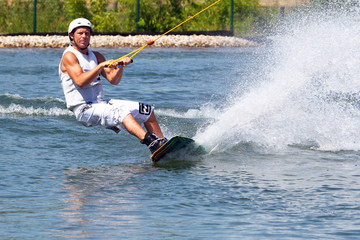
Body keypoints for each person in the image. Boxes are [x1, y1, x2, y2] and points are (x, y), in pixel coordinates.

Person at [59, 18, 168, 153]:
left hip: (100, 103)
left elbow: (113, 80)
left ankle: (163, 144)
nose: (84, 36)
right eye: (80, 33)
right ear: (71, 35)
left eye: (87, 33)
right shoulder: (69, 56)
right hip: (83, 109)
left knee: (147, 110)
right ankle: (152, 143)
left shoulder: (96, 56)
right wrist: (99, 67)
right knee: (122, 112)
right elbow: (80, 82)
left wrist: (121, 66)